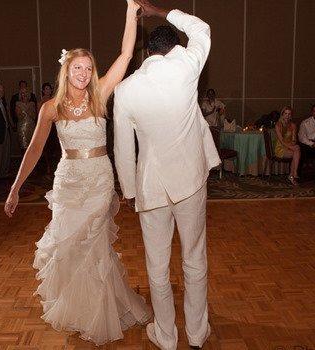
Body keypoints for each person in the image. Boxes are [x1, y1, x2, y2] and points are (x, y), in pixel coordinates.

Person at [3, 0, 150, 346]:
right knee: (71, 247)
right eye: (78, 69)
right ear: (66, 71)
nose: (83, 74)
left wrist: (131, 10)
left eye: (88, 68)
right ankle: (81, 310)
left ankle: (99, 313)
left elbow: (127, 55)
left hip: (99, 180)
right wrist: (15, 189)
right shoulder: (50, 109)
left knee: (94, 244)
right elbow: (35, 150)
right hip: (68, 181)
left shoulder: (100, 95)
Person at [113, 1, 219, 348]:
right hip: (190, 182)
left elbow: (123, 149)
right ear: (174, 47)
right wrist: (159, 11)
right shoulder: (186, 64)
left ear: (147, 52)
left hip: (151, 188)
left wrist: (128, 191)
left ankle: (166, 336)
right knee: (194, 258)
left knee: (157, 269)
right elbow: (202, 29)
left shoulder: (126, 89)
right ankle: (197, 333)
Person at [274, 106, 300, 185]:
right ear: (282, 114)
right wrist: (292, 147)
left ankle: (292, 174)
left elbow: (294, 139)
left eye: (289, 114)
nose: (287, 116)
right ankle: (293, 174)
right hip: (280, 148)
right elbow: (281, 141)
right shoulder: (278, 125)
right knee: (296, 151)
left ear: (291, 115)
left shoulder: (293, 125)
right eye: (285, 113)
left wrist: (293, 145)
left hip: (290, 146)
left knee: (296, 150)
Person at [39, 82, 58, 174]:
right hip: (46, 126)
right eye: (46, 89)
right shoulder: (42, 101)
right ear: (43, 90)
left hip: (55, 127)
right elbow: (40, 116)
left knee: (55, 147)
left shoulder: (54, 100)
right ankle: (48, 167)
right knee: (47, 148)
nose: (48, 90)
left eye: (49, 89)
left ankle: (55, 167)